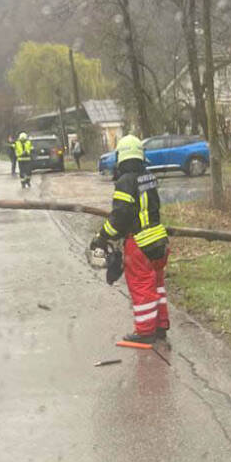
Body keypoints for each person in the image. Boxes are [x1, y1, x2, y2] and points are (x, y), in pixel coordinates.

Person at [89, 135, 170, 343]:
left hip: (140, 243)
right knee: (157, 285)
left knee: (142, 286)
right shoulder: (148, 176)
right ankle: (160, 326)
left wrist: (102, 237)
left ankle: (145, 332)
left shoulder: (125, 181)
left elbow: (120, 216)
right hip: (159, 240)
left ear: (121, 157)